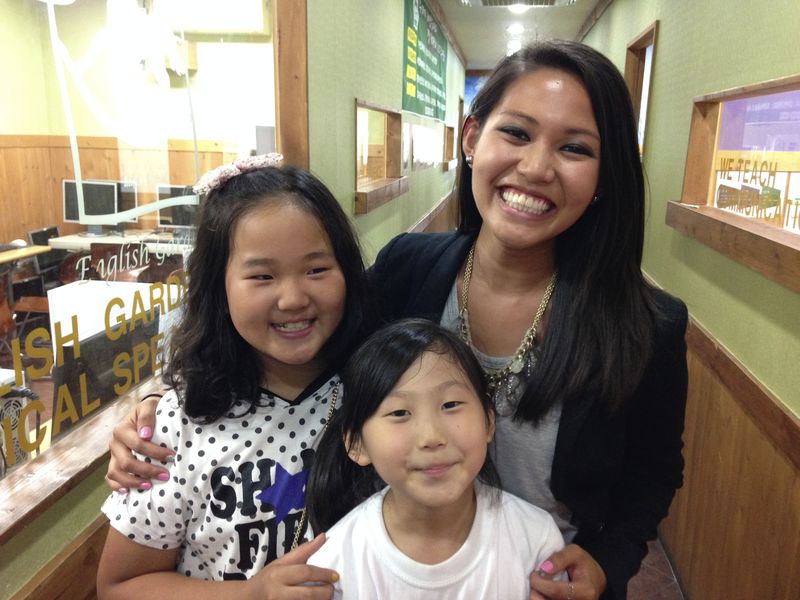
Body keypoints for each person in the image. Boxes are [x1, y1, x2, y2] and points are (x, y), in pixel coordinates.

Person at [105, 40, 688, 600]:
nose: (536, 167)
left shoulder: (646, 326)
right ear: (472, 137)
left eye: (575, 148)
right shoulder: (407, 272)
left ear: (605, 174)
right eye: (516, 132)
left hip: (538, 582)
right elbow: (308, 341)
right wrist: (164, 402)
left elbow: (652, 476)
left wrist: (608, 563)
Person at [96, 157, 376, 598]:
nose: (293, 298)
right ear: (219, 289)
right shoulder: (175, 425)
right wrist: (252, 594)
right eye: (262, 276)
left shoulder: (382, 391)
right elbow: (122, 584)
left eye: (317, 269)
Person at [305, 318, 566, 599]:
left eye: (450, 404)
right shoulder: (333, 566)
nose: (431, 436)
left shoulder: (535, 539)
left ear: (489, 421)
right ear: (356, 444)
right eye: (399, 413)